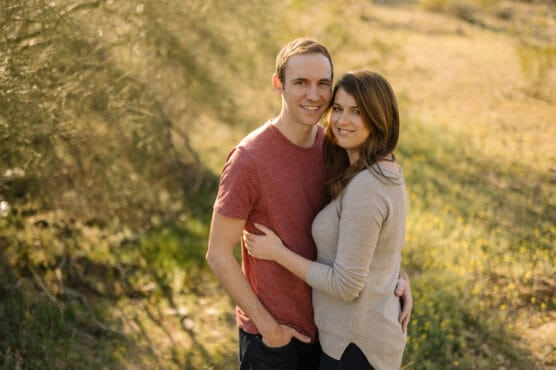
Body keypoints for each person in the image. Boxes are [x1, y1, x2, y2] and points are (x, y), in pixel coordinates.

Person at [205, 38, 412, 370]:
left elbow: (365, 227)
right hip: (275, 339)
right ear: (278, 85)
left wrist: (394, 277)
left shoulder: (333, 146)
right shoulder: (248, 159)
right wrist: (268, 327)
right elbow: (217, 253)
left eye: (323, 84)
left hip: (330, 333)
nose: (314, 95)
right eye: (301, 83)